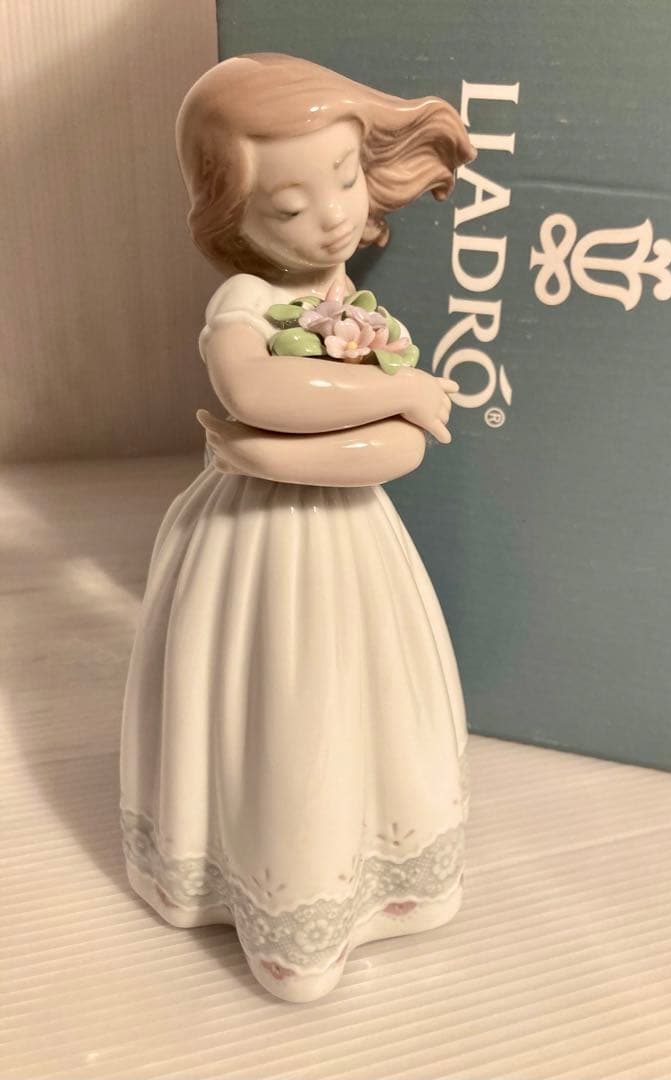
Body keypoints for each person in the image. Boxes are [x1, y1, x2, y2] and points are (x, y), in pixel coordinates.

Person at [119, 53, 476, 1002]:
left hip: (350, 540)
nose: (331, 217)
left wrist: (272, 455)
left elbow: (398, 452)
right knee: (276, 702)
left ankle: (381, 882)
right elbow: (254, 387)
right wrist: (391, 393)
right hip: (255, 545)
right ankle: (280, 917)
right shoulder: (246, 304)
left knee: (359, 697)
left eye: (346, 179)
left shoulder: (354, 309)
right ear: (230, 215)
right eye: (287, 206)